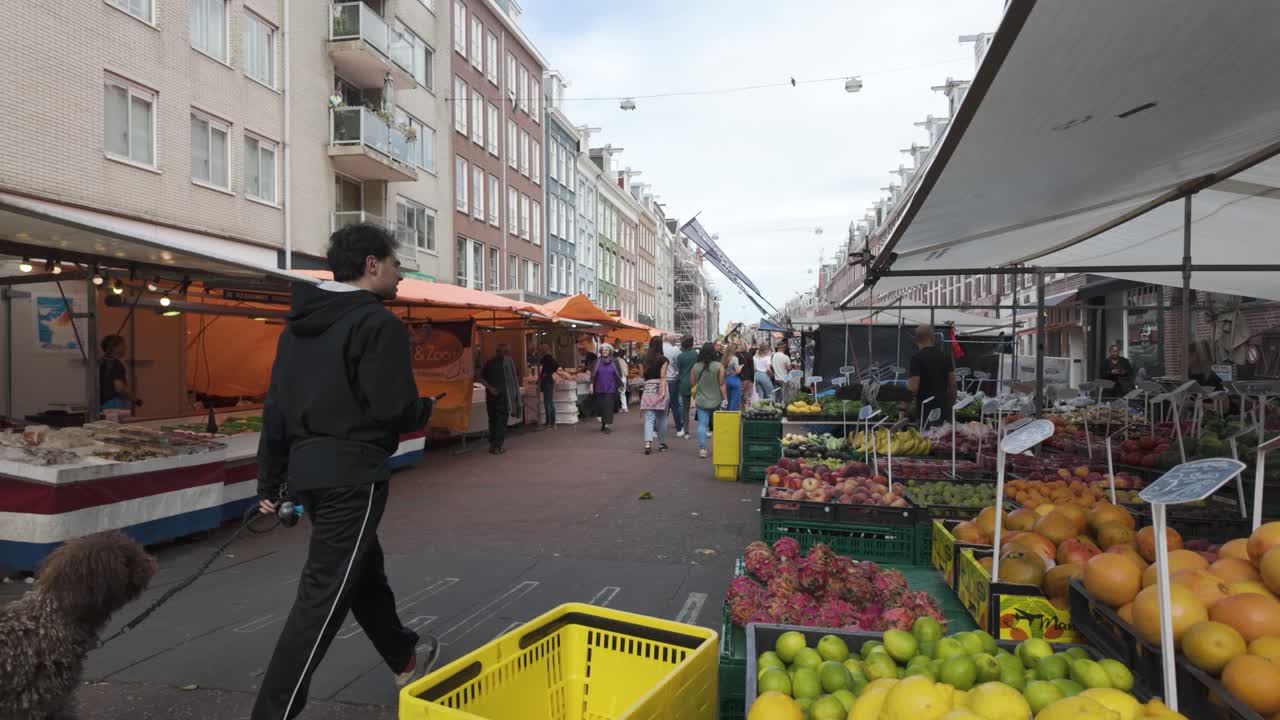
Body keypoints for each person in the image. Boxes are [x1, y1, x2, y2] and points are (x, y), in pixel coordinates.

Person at [253, 223, 438, 720]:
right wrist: (423, 408)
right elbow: (392, 407)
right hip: (351, 475)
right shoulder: (377, 324)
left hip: (308, 475)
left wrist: (269, 481)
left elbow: (277, 408)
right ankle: (272, 713)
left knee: (362, 572)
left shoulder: (297, 327)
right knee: (323, 597)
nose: (402, 276)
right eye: (397, 265)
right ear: (372, 265)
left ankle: (403, 656)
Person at [907, 324, 955, 428]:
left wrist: (904, 407)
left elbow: (913, 388)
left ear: (916, 340)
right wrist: (950, 408)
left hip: (925, 411)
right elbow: (953, 386)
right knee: (942, 441)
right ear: (932, 338)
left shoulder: (916, 358)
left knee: (927, 441)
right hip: (943, 410)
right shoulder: (945, 357)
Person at [690, 342, 727, 459]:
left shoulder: (696, 366)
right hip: (716, 400)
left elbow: (692, 383)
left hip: (701, 401)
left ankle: (702, 449)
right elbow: (722, 384)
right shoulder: (719, 366)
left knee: (702, 425)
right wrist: (725, 398)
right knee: (717, 426)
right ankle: (718, 448)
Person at [479, 344, 517, 453]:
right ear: (501, 352)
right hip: (502, 396)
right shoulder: (507, 364)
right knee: (500, 421)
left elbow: (480, 378)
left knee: (493, 420)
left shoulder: (488, 363)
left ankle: (492, 445)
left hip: (491, 396)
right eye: (507, 352)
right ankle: (498, 446)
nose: (508, 354)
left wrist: (490, 389)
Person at [640, 337, 670, 455]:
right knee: (662, 417)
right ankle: (662, 443)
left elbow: (642, 375)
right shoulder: (664, 360)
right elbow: (663, 376)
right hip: (659, 388)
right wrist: (662, 392)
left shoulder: (644, 359)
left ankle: (648, 443)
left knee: (649, 417)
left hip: (648, 389)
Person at [589, 343, 624, 433]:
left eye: (606, 350)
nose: (604, 351)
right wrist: (591, 385)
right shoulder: (597, 361)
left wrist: (619, 385)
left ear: (610, 352)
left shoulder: (614, 361)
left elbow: (619, 374)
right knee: (601, 407)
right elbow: (593, 375)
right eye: (603, 350)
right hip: (599, 387)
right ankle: (603, 423)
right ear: (601, 351)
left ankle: (606, 425)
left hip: (610, 388)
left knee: (608, 407)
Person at [99, 334, 132, 411]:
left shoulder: (101, 362)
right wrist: (133, 398)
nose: (126, 348)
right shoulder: (116, 364)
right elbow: (119, 388)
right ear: (115, 348)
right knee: (116, 423)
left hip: (102, 403)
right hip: (114, 404)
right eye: (123, 345)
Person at [675, 336, 698, 439]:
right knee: (701, 407)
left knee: (685, 409)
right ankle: (704, 428)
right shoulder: (695, 355)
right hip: (696, 384)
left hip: (684, 382)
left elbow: (679, 370)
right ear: (692, 343)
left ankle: (687, 431)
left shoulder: (680, 356)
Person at [663, 334, 684, 437]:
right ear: (673, 340)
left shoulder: (659, 348)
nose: (676, 340)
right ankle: (679, 429)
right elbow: (679, 365)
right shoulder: (675, 350)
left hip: (661, 380)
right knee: (674, 404)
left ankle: (656, 429)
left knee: (661, 405)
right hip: (671, 380)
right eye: (675, 339)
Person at [537, 343, 559, 428]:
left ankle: (549, 422)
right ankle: (553, 421)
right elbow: (556, 366)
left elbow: (540, 362)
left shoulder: (546, 358)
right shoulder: (550, 357)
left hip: (546, 381)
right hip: (550, 380)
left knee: (547, 402)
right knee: (550, 401)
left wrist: (546, 373)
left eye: (540, 350)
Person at [722, 344, 743, 411]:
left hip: (726, 380)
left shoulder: (724, 358)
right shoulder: (734, 359)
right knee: (734, 401)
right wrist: (741, 367)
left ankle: (726, 416)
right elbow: (737, 371)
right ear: (734, 350)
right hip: (734, 380)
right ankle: (732, 416)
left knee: (727, 399)